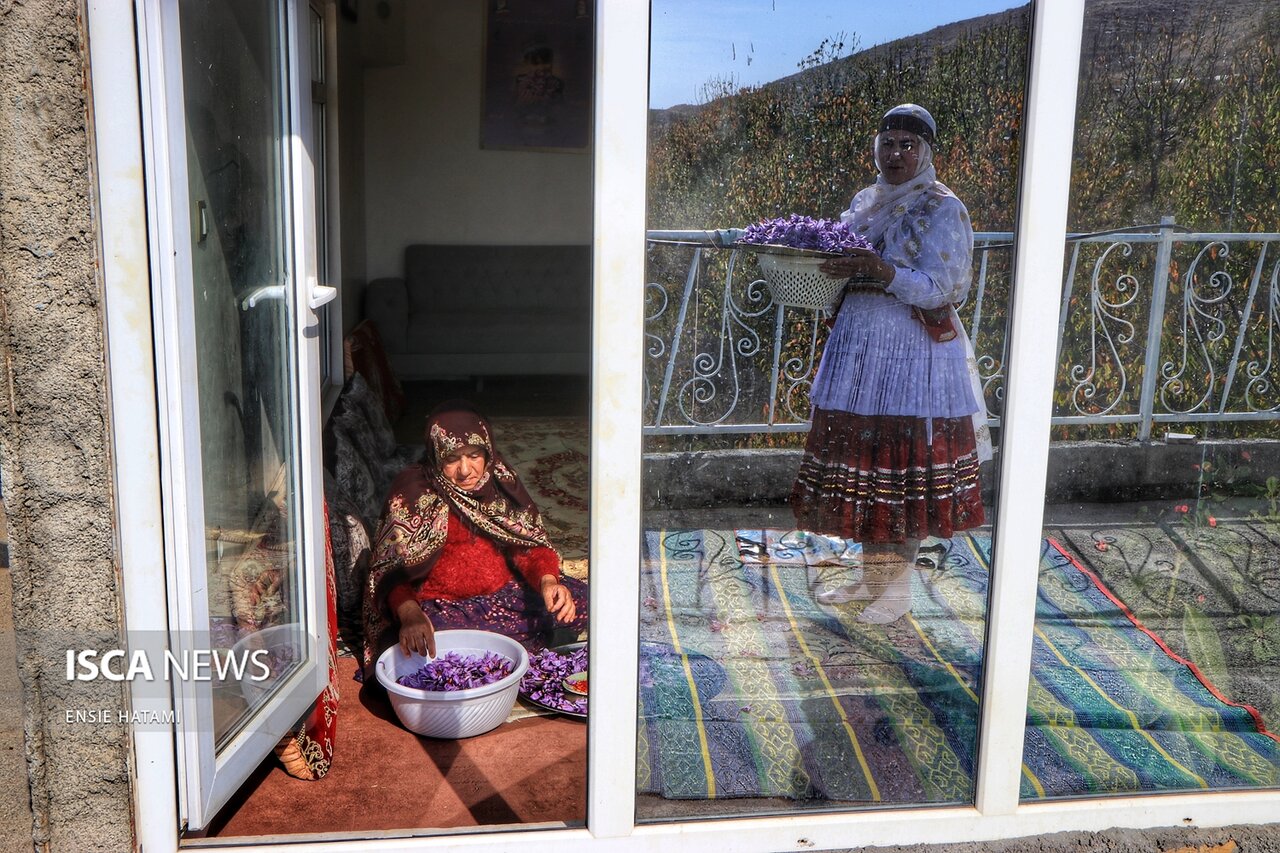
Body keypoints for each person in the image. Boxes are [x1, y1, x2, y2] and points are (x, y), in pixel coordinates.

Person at [790, 103, 990, 625]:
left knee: (899, 468)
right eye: (888, 143)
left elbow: (943, 288)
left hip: (911, 354)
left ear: (926, 152)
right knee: (866, 463)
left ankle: (896, 591)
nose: (895, 154)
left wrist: (882, 272)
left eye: (908, 145)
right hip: (860, 349)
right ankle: (870, 578)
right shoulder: (866, 201)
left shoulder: (944, 208)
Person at [361, 400, 587, 676]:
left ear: (487, 451)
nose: (466, 470)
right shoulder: (413, 493)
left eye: (474, 455)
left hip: (502, 596)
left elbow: (526, 547)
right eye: (452, 459)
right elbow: (390, 572)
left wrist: (548, 581)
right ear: (436, 454)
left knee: (580, 599)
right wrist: (410, 614)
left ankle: (521, 646)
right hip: (442, 608)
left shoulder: (499, 481)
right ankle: (529, 646)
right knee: (425, 640)